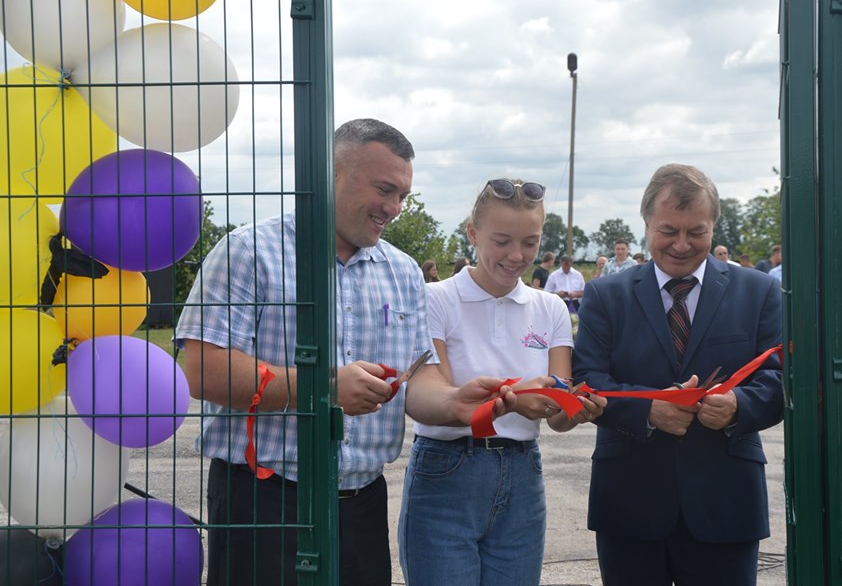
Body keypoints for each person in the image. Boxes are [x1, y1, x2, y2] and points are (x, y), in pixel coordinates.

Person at [176, 118, 513, 586]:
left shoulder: (403, 271)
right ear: (331, 173)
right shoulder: (248, 252)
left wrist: (454, 403)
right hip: (265, 498)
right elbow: (203, 371)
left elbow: (419, 379)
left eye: (403, 196)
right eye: (384, 190)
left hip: (361, 502)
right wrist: (325, 388)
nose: (394, 208)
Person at [572, 163, 783, 586]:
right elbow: (587, 377)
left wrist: (738, 406)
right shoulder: (605, 294)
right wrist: (649, 410)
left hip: (725, 502)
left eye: (697, 232)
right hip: (629, 500)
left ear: (714, 226)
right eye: (668, 230)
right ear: (646, 223)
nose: (682, 245)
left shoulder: (758, 291)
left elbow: (780, 380)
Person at [399, 178, 606, 586]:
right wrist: (515, 399)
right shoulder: (435, 298)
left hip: (523, 473)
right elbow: (432, 391)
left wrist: (577, 409)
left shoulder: (550, 308)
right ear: (473, 233)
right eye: (502, 241)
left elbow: (558, 414)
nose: (517, 256)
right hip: (446, 469)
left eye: (530, 242)